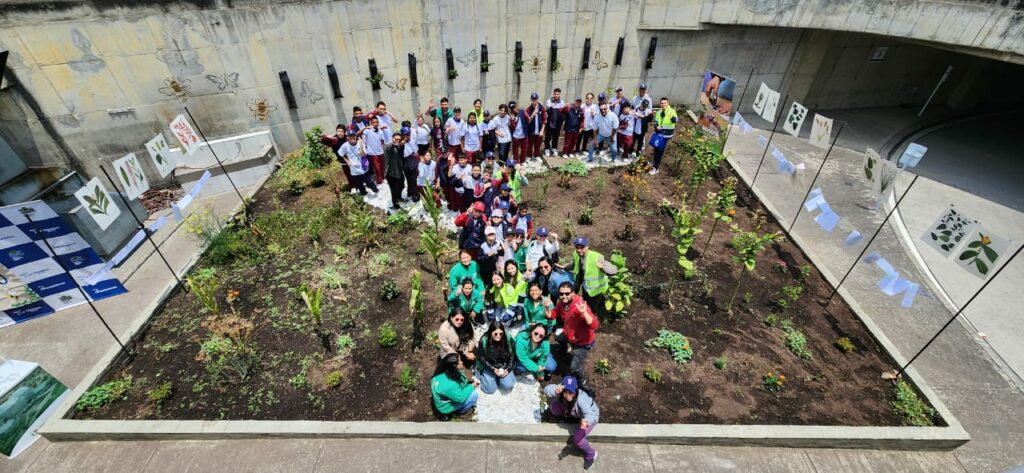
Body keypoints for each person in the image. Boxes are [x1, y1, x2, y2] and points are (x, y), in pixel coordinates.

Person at [543, 376, 599, 470]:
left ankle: (591, 454)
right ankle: (569, 415)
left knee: (578, 440)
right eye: (565, 392)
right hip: (575, 412)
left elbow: (591, 415)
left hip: (589, 418)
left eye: (571, 392)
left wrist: (586, 421)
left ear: (575, 389)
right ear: (562, 387)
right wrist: (555, 390)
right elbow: (546, 390)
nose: (568, 395)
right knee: (555, 407)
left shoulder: (582, 400)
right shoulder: (561, 388)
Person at [552, 282, 599, 392]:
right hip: (570, 335)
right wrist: (546, 308)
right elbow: (553, 314)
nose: (564, 296)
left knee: (574, 367)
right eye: (561, 294)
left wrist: (584, 313)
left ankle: (582, 381)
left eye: (567, 293)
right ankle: (565, 350)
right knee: (558, 337)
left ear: (573, 293)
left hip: (583, 342)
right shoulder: (561, 303)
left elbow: (594, 325)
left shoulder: (580, 306)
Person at [563, 237, 616, 310]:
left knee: (591, 309)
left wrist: (602, 268)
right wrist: (564, 267)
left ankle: (591, 315)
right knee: (585, 303)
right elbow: (573, 265)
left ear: (587, 247)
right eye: (577, 247)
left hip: (595, 290)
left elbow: (613, 270)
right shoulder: (576, 254)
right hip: (586, 286)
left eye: (582, 247)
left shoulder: (596, 257)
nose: (579, 250)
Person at [431, 352, 479, 418]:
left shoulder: (440, 373)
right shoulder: (450, 385)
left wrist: (466, 383)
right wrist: (472, 386)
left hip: (445, 396)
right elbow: (461, 398)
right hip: (445, 407)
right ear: (454, 366)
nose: (462, 362)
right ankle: (460, 411)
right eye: (460, 361)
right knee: (474, 395)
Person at [475, 322, 516, 394]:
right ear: (491, 332)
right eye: (495, 334)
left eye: (501, 334)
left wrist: (508, 369)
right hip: (489, 366)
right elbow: (481, 357)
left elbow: (512, 355)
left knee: (508, 385)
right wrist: (493, 368)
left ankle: (496, 379)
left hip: (503, 365)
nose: (498, 336)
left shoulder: (507, 339)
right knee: (490, 390)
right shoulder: (484, 341)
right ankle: (483, 376)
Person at [336, 130, 379, 196]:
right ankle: (364, 194)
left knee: (369, 182)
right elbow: (340, 154)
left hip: (363, 167)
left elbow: (363, 155)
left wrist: (361, 145)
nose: (352, 137)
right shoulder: (345, 145)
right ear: (347, 137)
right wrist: (347, 161)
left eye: (353, 136)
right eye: (350, 136)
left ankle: (376, 191)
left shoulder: (360, 143)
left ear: (356, 136)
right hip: (354, 170)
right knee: (360, 184)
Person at [650, 97, 678, 175]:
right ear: (660, 104)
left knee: (660, 150)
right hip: (659, 133)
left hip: (666, 134)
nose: (663, 104)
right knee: (656, 148)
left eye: (665, 103)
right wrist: (657, 126)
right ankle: (655, 162)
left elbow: (675, 120)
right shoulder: (659, 112)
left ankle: (656, 168)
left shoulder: (671, 111)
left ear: (668, 103)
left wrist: (671, 117)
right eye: (662, 103)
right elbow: (655, 121)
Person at [358, 114, 387, 184]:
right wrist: (365, 128)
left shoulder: (380, 131)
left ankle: (383, 178)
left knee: (382, 167)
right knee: (377, 168)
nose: (375, 123)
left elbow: (382, 141)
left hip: (380, 152)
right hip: (372, 154)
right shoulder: (368, 131)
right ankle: (379, 181)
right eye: (374, 122)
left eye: (377, 122)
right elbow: (358, 134)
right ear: (371, 123)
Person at [382, 132, 406, 210]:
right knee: (394, 190)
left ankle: (399, 197)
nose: (397, 141)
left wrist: (400, 144)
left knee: (402, 186)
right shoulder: (387, 146)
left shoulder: (399, 147)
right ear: (392, 138)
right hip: (391, 173)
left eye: (399, 139)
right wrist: (394, 144)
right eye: (396, 139)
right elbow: (389, 147)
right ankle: (396, 205)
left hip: (399, 172)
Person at [631, 83, 654, 155]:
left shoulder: (648, 99)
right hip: (635, 118)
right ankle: (631, 149)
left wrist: (642, 116)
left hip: (643, 120)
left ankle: (640, 150)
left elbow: (649, 111)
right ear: (639, 90)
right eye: (641, 90)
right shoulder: (635, 97)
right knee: (633, 135)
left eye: (643, 90)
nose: (642, 92)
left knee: (641, 136)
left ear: (645, 91)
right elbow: (632, 106)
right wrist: (634, 112)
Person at [524, 93, 547, 162]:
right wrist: (533, 114)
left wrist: (542, 131)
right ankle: (529, 156)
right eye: (533, 99)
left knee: (538, 144)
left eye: (535, 99)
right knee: (529, 145)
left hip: (539, 131)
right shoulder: (528, 109)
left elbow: (544, 120)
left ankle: (537, 155)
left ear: (537, 99)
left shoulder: (542, 108)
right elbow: (527, 121)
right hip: (531, 131)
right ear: (531, 99)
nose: (534, 101)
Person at [544, 88, 566, 157]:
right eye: (555, 94)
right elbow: (547, 112)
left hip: (557, 123)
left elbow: (563, 113)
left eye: (558, 94)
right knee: (548, 136)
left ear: (559, 94)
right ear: (553, 94)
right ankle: (547, 148)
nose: (556, 95)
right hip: (550, 123)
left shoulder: (562, 103)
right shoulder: (549, 101)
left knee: (556, 136)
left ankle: (554, 148)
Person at [401, 126, 420, 202]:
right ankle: (412, 193)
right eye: (405, 135)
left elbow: (416, 151)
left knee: (414, 179)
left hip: (413, 162)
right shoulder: (401, 144)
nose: (407, 136)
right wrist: (403, 141)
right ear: (402, 135)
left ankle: (413, 193)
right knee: (410, 179)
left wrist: (415, 154)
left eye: (408, 134)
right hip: (406, 163)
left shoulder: (412, 141)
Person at [576, 93, 598, 157]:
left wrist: (593, 115)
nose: (589, 99)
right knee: (579, 139)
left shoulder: (595, 106)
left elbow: (596, 117)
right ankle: (577, 150)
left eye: (590, 98)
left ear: (592, 99)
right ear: (586, 98)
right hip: (582, 126)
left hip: (590, 126)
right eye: (588, 98)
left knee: (586, 139)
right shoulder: (582, 106)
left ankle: (584, 150)